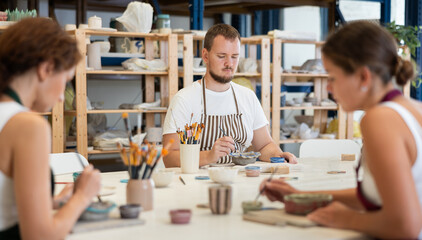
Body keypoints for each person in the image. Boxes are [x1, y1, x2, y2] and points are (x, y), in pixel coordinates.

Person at [259, 21, 422, 238]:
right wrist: (303, 196)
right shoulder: (411, 108)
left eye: (332, 77)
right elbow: (377, 196)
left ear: (363, 77)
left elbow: (406, 226)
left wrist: (344, 218)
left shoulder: (379, 119)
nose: (327, 87)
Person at [0, 18, 101, 239]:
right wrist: (82, 196)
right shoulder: (28, 126)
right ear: (46, 69)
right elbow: (39, 236)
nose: (61, 96)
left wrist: (52, 203)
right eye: (65, 81)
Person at [162, 24, 296, 167]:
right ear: (205, 56)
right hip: (198, 184)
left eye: (234, 57)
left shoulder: (247, 97)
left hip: (240, 182)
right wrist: (209, 156)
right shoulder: (185, 99)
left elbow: (264, 145)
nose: (229, 63)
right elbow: (169, 157)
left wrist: (279, 155)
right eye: (221, 56)